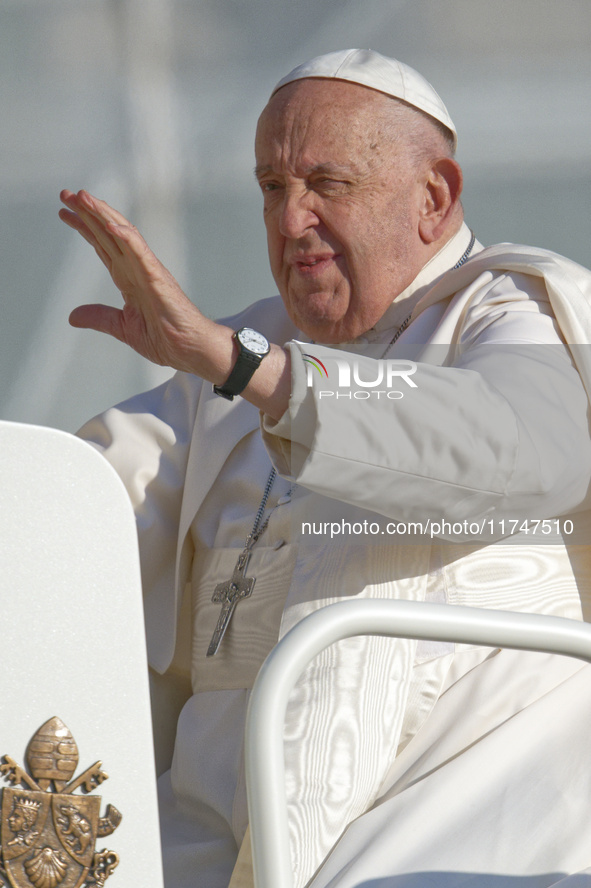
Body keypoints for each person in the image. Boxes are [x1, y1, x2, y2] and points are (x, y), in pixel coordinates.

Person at [59, 49, 591, 888]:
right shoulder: (232, 352)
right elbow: (74, 504)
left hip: (455, 826)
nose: (289, 219)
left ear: (433, 197)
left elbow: (524, 450)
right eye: (271, 186)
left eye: (326, 184)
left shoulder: (510, 307)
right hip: (208, 833)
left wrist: (258, 376)